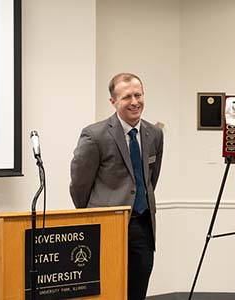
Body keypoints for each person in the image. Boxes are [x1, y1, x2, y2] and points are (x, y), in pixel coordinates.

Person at [70, 73, 163, 300]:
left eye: (138, 95)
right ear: (113, 101)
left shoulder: (154, 134)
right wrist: (92, 217)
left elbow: (151, 178)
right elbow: (79, 184)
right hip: (107, 225)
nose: (134, 102)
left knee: (138, 287)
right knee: (109, 290)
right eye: (126, 97)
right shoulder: (95, 135)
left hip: (142, 226)